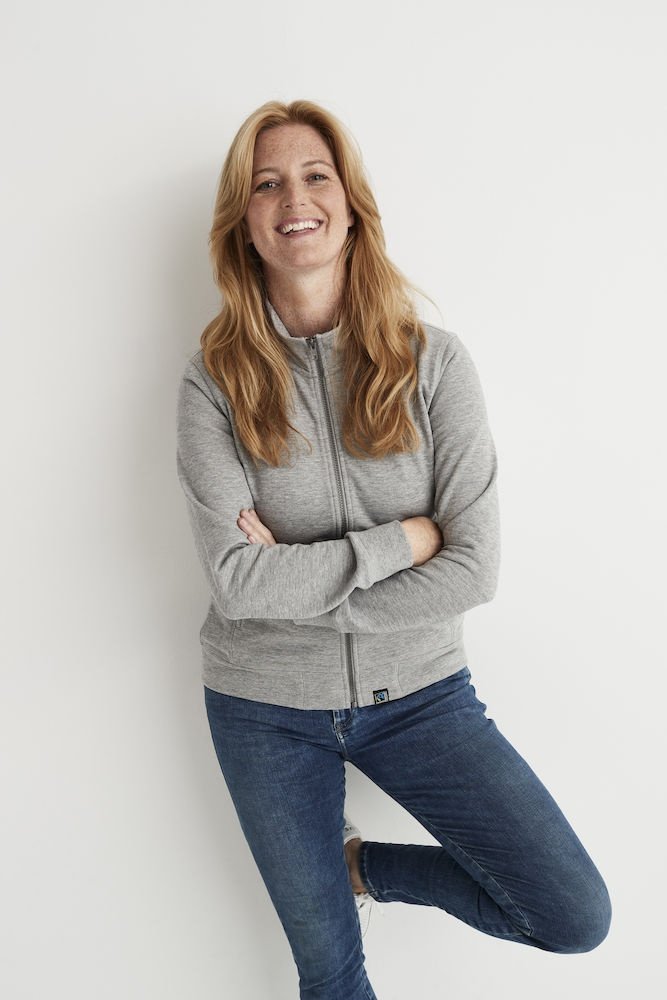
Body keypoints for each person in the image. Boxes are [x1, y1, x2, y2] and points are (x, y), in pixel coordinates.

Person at [176, 99, 611, 1000]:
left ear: (351, 206)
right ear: (244, 224)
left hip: (421, 697)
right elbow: (237, 581)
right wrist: (402, 542)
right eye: (266, 184)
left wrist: (295, 581)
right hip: (262, 709)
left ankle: (361, 868)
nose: (293, 199)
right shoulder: (214, 382)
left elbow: (473, 568)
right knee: (330, 977)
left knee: (570, 912)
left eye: (315, 176)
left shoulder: (434, 364)